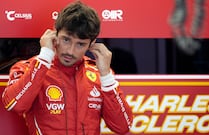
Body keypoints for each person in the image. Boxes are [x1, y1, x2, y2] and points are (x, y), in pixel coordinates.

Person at [1, 1, 133, 135]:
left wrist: (106, 75)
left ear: (92, 44)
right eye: (66, 40)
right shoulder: (29, 68)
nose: (70, 51)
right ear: (55, 34)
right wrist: (45, 57)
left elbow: (123, 127)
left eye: (80, 44)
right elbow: (14, 105)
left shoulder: (100, 74)